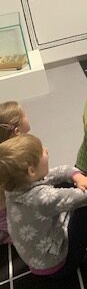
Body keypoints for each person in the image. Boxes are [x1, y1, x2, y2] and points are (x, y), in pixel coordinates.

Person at [0, 134, 87, 277]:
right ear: (31, 171)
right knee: (85, 205)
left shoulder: (13, 187)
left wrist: (78, 177)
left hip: (39, 259)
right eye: (41, 151)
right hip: (60, 265)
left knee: (69, 184)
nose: (46, 150)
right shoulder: (40, 199)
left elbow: (60, 172)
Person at [0, 101, 31, 243]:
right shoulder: (18, 161)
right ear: (17, 131)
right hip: (10, 223)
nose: (27, 115)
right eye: (24, 114)